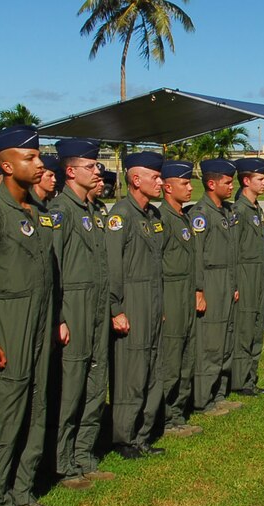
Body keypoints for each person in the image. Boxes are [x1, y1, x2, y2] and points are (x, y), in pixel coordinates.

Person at [0, 125, 56, 506]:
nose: (39, 164)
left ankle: (23, 488)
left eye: (39, 156)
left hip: (40, 321)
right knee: (6, 408)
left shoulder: (38, 213)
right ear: (6, 166)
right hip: (9, 324)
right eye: (30, 158)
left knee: (36, 403)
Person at [48, 138, 114, 487]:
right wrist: (59, 317)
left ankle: (84, 454)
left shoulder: (93, 211)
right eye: (91, 166)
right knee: (71, 387)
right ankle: (62, 462)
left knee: (94, 382)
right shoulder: (61, 212)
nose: (97, 171)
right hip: (74, 307)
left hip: (97, 305)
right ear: (71, 171)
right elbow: (53, 270)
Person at [106, 151, 167, 459]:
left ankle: (143, 433)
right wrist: (116, 308)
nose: (160, 181)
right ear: (135, 179)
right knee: (131, 370)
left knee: (154, 366)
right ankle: (124, 437)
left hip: (153, 300)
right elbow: (113, 267)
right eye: (154, 177)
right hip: (132, 298)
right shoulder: (121, 215)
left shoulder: (153, 215)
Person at [157, 160, 204, 438]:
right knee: (171, 358)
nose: (189, 188)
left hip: (186, 292)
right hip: (171, 294)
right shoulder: (162, 218)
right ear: (167, 186)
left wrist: (198, 289)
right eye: (184, 183)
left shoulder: (183, 216)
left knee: (187, 355)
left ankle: (178, 412)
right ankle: (164, 417)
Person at [193, 159, 242, 416]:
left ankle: (220, 393)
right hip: (210, 282)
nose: (231, 186)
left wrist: (233, 284)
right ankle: (203, 398)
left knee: (225, 338)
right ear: (211, 184)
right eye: (227, 182)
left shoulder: (225, 211)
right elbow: (197, 256)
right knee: (210, 342)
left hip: (225, 281)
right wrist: (199, 291)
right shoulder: (200, 215)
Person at [231, 158, 264, 396]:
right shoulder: (239, 211)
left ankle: (250, 378)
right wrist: (235, 283)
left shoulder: (257, 209)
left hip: (258, 273)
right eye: (260, 179)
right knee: (244, 328)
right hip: (245, 274)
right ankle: (240, 380)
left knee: (256, 325)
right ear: (247, 181)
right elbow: (233, 250)